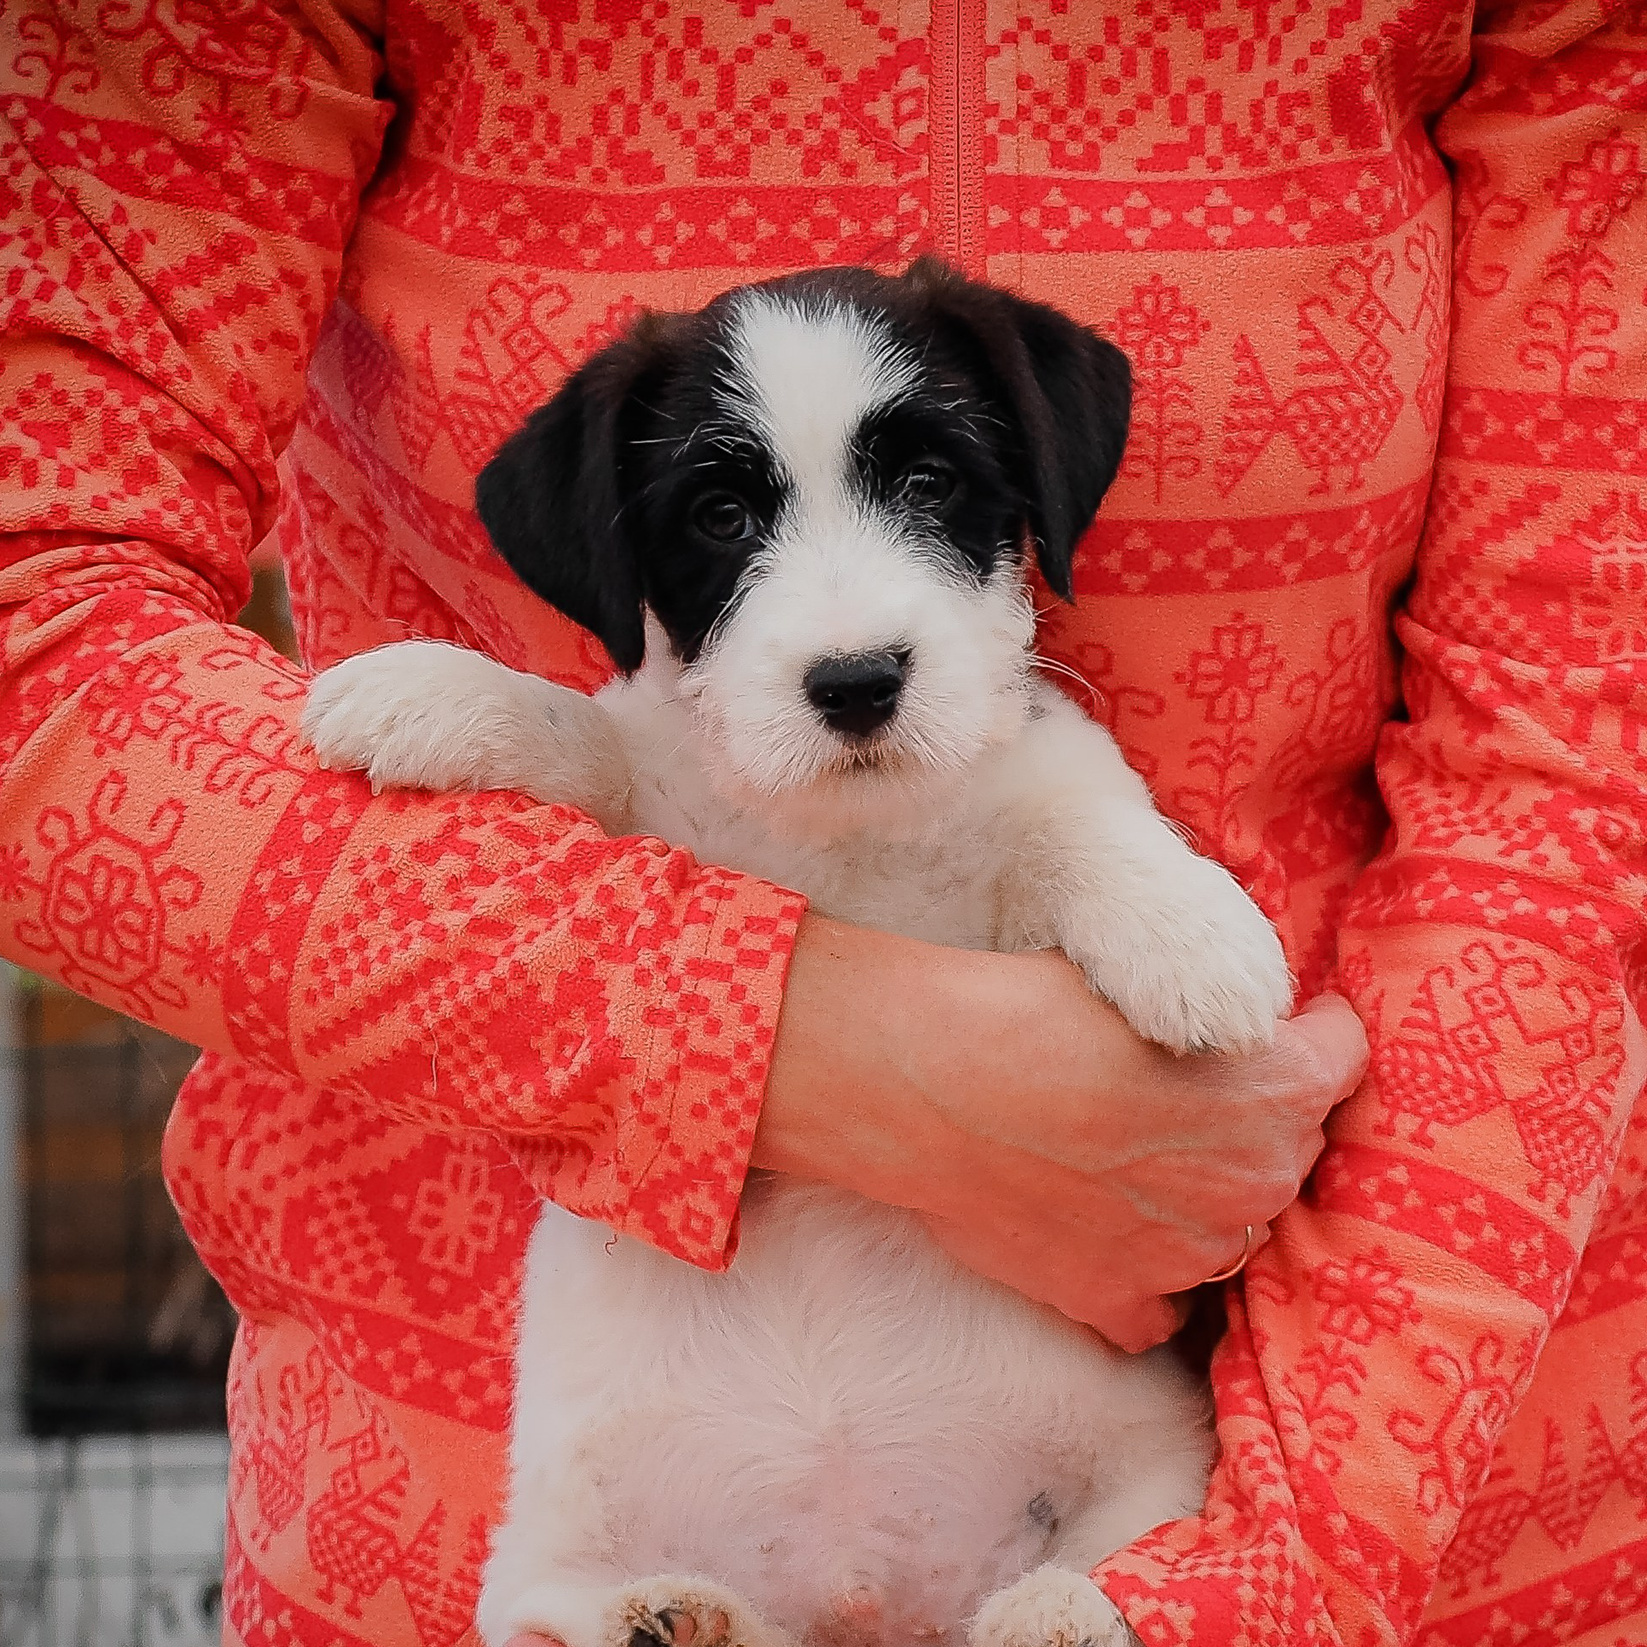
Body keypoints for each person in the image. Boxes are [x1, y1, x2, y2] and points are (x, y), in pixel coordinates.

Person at [1, 3, 1641, 1644]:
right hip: (484, 1462)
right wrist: (811, 1048)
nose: (846, 620)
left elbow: (1583, 743)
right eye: (726, 514)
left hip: (1372, 1489)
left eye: (930, 487)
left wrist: (1274, 1580)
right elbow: (39, 622)